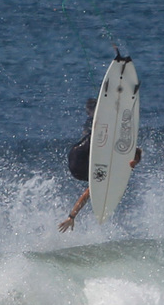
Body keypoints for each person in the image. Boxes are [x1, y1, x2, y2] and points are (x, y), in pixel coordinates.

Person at [58, 98, 141, 233]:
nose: (133, 164)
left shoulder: (107, 171)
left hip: (78, 162)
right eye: (134, 162)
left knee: (97, 140)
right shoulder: (118, 158)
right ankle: (96, 113)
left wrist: (71, 216)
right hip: (79, 156)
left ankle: (95, 113)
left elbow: (87, 193)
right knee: (100, 139)